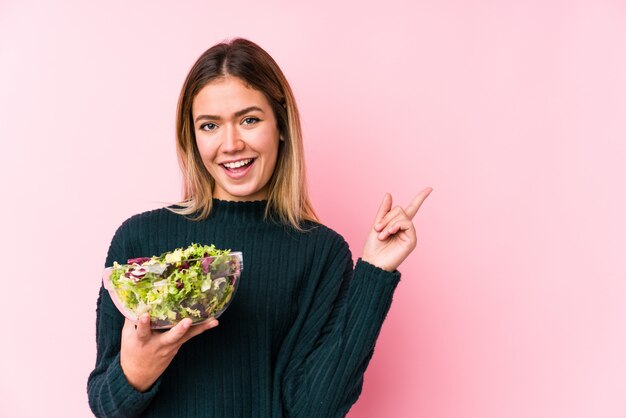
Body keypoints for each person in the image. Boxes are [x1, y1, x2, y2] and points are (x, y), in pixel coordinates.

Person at [87, 38, 432, 418]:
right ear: (192, 136)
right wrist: (137, 370)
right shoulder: (139, 240)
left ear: (280, 126)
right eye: (210, 126)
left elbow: (315, 409)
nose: (231, 144)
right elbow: (104, 404)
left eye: (249, 120)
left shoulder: (320, 252)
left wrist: (374, 273)